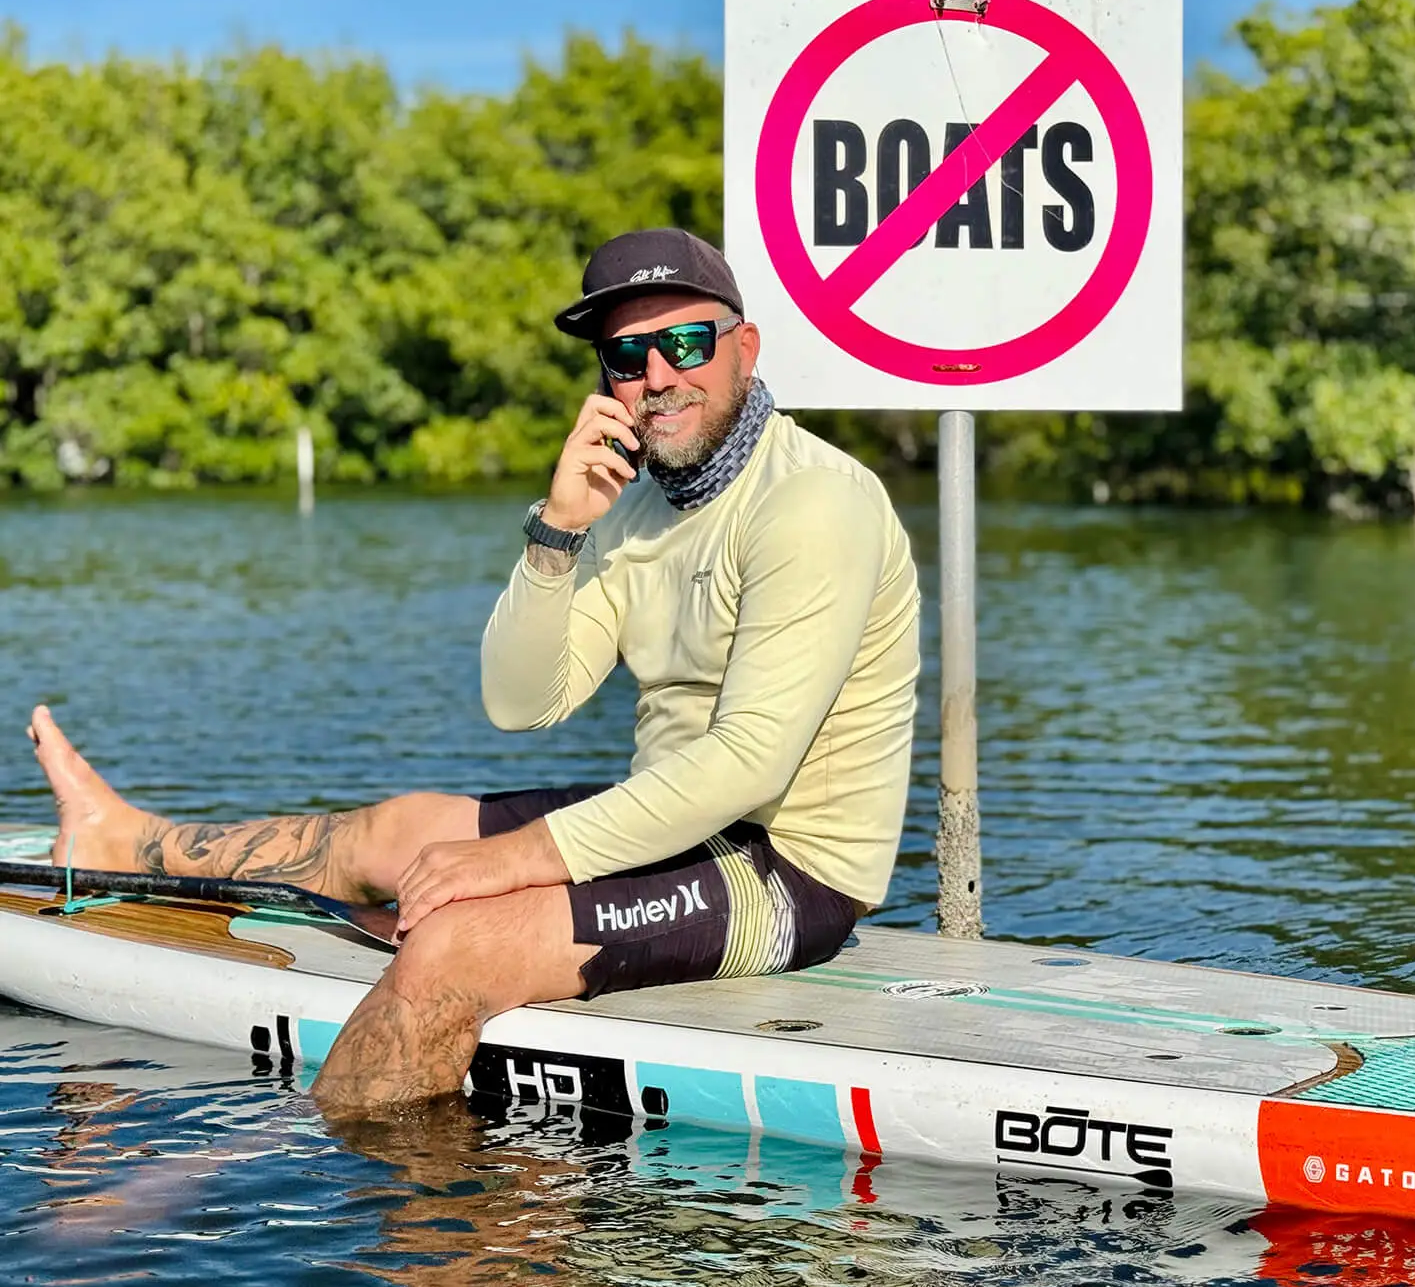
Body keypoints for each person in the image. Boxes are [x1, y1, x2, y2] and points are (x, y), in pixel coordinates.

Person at [25, 227, 922, 1117]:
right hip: (683, 824)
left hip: (788, 872)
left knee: (454, 942)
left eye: (685, 343)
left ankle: (317, 1192)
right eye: (626, 354)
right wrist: (559, 531)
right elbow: (521, 702)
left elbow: (748, 765)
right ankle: (124, 842)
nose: (657, 378)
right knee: (399, 829)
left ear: (745, 348)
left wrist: (511, 863)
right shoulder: (630, 511)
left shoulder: (812, 501)